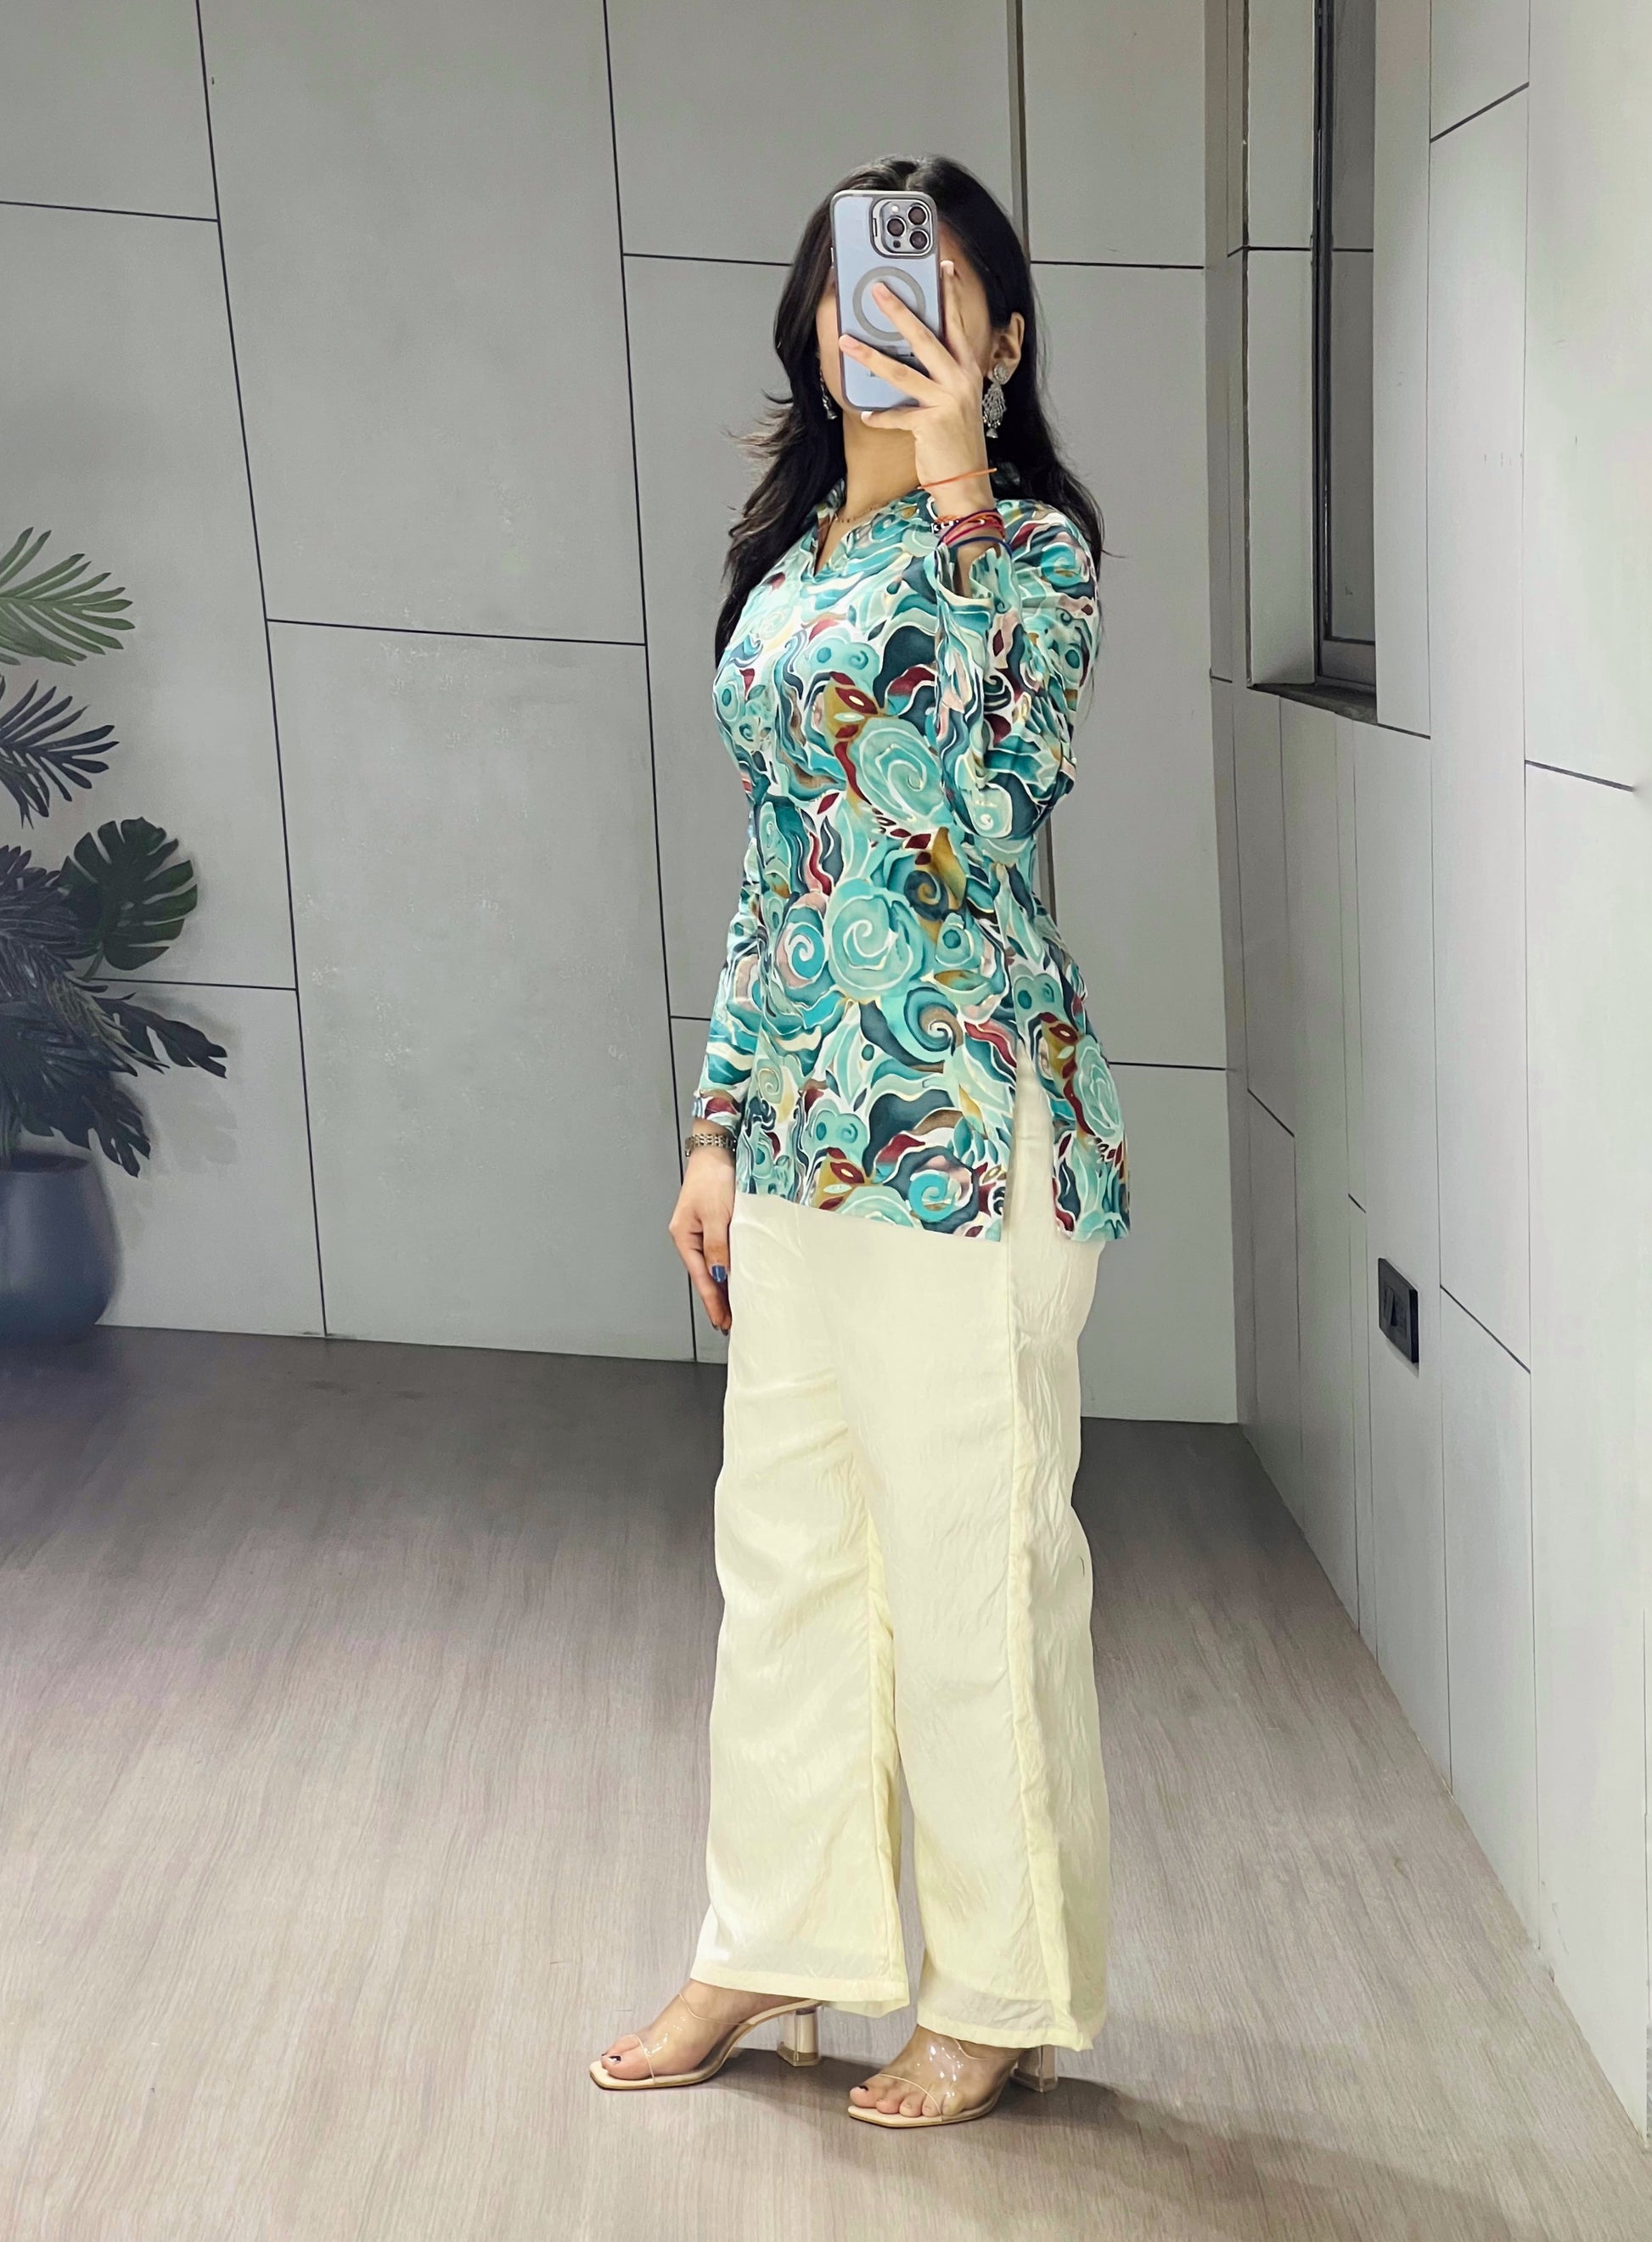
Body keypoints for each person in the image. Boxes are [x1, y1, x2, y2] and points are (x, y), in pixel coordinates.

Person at [590, 154, 1128, 2130]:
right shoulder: (797, 560)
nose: (883, 318)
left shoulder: (1031, 553)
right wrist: (715, 1121)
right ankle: (775, 1941)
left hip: (966, 1133)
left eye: (933, 287)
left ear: (1002, 335)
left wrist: (962, 475)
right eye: (854, 288)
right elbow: (778, 869)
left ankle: (998, 1987)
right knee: (788, 1559)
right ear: (814, 330)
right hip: (806, 1134)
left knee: (973, 1569)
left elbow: (996, 783)